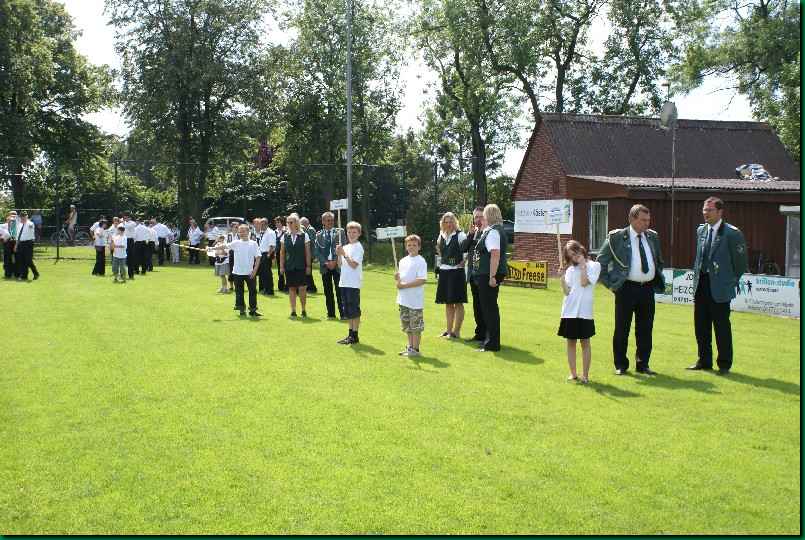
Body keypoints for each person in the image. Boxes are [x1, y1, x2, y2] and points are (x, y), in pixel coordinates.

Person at [597, 204, 665, 376]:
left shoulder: (653, 237)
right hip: (626, 289)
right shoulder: (617, 237)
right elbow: (600, 264)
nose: (646, 223)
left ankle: (643, 364)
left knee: (645, 329)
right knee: (622, 328)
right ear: (632, 219)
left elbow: (658, 261)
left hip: (647, 289)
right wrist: (612, 285)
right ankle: (621, 365)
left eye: (648, 220)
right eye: (643, 220)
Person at [687, 197, 748, 375]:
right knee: (701, 326)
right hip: (701, 284)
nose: (706, 213)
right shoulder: (701, 230)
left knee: (721, 327)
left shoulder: (732, 233)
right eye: (704, 210)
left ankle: (724, 364)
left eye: (710, 210)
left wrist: (729, 280)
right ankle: (704, 361)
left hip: (720, 287)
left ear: (720, 212)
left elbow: (740, 263)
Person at [558, 241, 601, 384]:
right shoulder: (570, 270)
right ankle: (573, 374)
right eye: (571, 256)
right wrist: (562, 278)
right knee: (571, 342)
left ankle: (585, 376)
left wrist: (583, 265)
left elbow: (584, 283)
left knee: (585, 342)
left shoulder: (594, 266)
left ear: (581, 249)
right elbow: (567, 292)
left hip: (584, 311)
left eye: (575, 253)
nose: (574, 257)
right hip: (569, 310)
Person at [472, 204, 507, 352]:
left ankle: (492, 343)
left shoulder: (493, 232)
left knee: (489, 308)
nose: (482, 218)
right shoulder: (495, 230)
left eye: (484, 215)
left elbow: (495, 255)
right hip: (487, 273)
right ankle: (489, 340)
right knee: (488, 308)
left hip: (488, 273)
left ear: (489, 215)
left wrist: (492, 276)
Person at [435, 212, 468, 339]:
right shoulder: (441, 235)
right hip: (444, 271)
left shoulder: (461, 235)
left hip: (457, 272)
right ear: (443, 223)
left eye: (451, 222)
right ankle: (448, 331)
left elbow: (467, 250)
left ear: (455, 222)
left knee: (458, 302)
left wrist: (463, 262)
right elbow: (440, 252)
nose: (448, 224)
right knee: (448, 303)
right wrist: (439, 266)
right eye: (446, 222)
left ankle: (456, 332)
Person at [396, 234, 428, 357]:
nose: (411, 247)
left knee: (416, 327)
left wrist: (405, 286)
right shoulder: (403, 261)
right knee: (407, 326)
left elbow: (422, 280)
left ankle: (416, 349)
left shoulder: (421, 261)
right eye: (409, 245)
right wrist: (397, 279)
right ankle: (410, 347)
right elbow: (400, 281)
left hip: (415, 301)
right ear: (406, 247)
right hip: (403, 299)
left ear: (419, 247)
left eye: (414, 245)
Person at [336, 221, 364, 344]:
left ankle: (355, 335)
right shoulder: (346, 247)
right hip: (344, 282)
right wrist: (339, 254)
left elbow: (354, 265)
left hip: (353, 283)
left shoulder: (358, 247)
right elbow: (339, 265)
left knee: (354, 310)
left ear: (359, 234)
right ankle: (350, 334)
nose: (351, 234)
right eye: (349, 232)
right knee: (347, 310)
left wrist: (344, 254)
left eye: (354, 232)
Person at [279, 213, 312, 318]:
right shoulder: (285, 236)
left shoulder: (304, 235)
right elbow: (282, 253)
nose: (289, 224)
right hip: (289, 266)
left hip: (301, 266)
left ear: (296, 223)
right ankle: (293, 310)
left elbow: (308, 252)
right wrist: (281, 266)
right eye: (288, 222)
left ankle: (303, 309)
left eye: (291, 222)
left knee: (302, 288)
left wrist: (308, 266)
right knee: (292, 288)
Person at [315, 211, 345, 320]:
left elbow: (343, 247)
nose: (330, 222)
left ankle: (343, 314)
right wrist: (326, 262)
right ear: (323, 221)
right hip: (325, 266)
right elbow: (317, 251)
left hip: (337, 266)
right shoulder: (318, 235)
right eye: (328, 220)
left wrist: (335, 261)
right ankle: (331, 314)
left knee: (340, 291)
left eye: (332, 220)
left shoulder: (340, 232)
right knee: (328, 291)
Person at [463, 207, 487, 342]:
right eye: (476, 217)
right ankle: (479, 334)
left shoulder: (488, 232)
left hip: (483, 274)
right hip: (473, 274)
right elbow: (463, 248)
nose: (478, 219)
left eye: (480, 216)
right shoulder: (474, 232)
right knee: (477, 305)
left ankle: (487, 335)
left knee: (485, 305)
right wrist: (470, 235)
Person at [228, 224, 261, 317]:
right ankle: (241, 309)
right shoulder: (236, 243)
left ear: (248, 232)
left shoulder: (253, 243)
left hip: (250, 272)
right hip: (237, 272)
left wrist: (255, 271)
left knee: (253, 292)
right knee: (239, 292)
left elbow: (258, 257)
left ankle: (253, 310)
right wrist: (211, 248)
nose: (241, 233)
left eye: (243, 231)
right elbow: (224, 246)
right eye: (239, 232)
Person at [14, 211, 39, 280]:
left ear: (27, 217)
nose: (23, 218)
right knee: (22, 260)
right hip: (21, 243)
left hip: (28, 243)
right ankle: (24, 275)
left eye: (24, 216)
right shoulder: (19, 225)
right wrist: (16, 245)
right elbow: (18, 236)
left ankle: (36, 273)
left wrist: (25, 222)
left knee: (28, 260)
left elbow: (31, 227)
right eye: (21, 217)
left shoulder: (30, 224)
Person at [258, 217, 276, 295]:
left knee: (267, 273)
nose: (261, 226)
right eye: (260, 224)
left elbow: (272, 245)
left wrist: (268, 255)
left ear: (266, 224)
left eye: (262, 224)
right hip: (262, 254)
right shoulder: (263, 232)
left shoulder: (270, 232)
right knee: (263, 273)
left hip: (267, 254)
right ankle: (265, 288)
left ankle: (269, 290)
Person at [300, 217, 318, 293]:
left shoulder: (311, 230)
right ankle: (309, 286)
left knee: (308, 272)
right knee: (306, 272)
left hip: (310, 254)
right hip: (307, 254)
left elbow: (311, 242)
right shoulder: (308, 229)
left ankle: (312, 287)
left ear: (305, 223)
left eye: (301, 224)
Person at [1, 211, 18, 278]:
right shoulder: (2, 226)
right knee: (7, 259)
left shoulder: (19, 225)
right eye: (11, 215)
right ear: (8, 217)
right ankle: (8, 273)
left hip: (16, 242)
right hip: (7, 243)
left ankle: (16, 273)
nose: (13, 217)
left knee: (17, 258)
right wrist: (2, 238)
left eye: (14, 215)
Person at [121, 212, 137, 279]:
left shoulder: (133, 223)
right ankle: (122, 274)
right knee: (122, 257)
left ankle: (131, 275)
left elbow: (127, 227)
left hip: (130, 241)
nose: (125, 218)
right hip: (123, 240)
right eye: (124, 217)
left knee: (130, 258)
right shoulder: (122, 223)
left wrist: (123, 223)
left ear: (129, 217)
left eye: (126, 217)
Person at [274, 216, 287, 292]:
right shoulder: (274, 232)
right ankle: (281, 285)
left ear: (282, 222)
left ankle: (288, 285)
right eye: (276, 222)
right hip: (278, 253)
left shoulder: (286, 231)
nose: (277, 224)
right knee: (280, 269)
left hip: (286, 253)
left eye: (278, 222)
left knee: (287, 269)